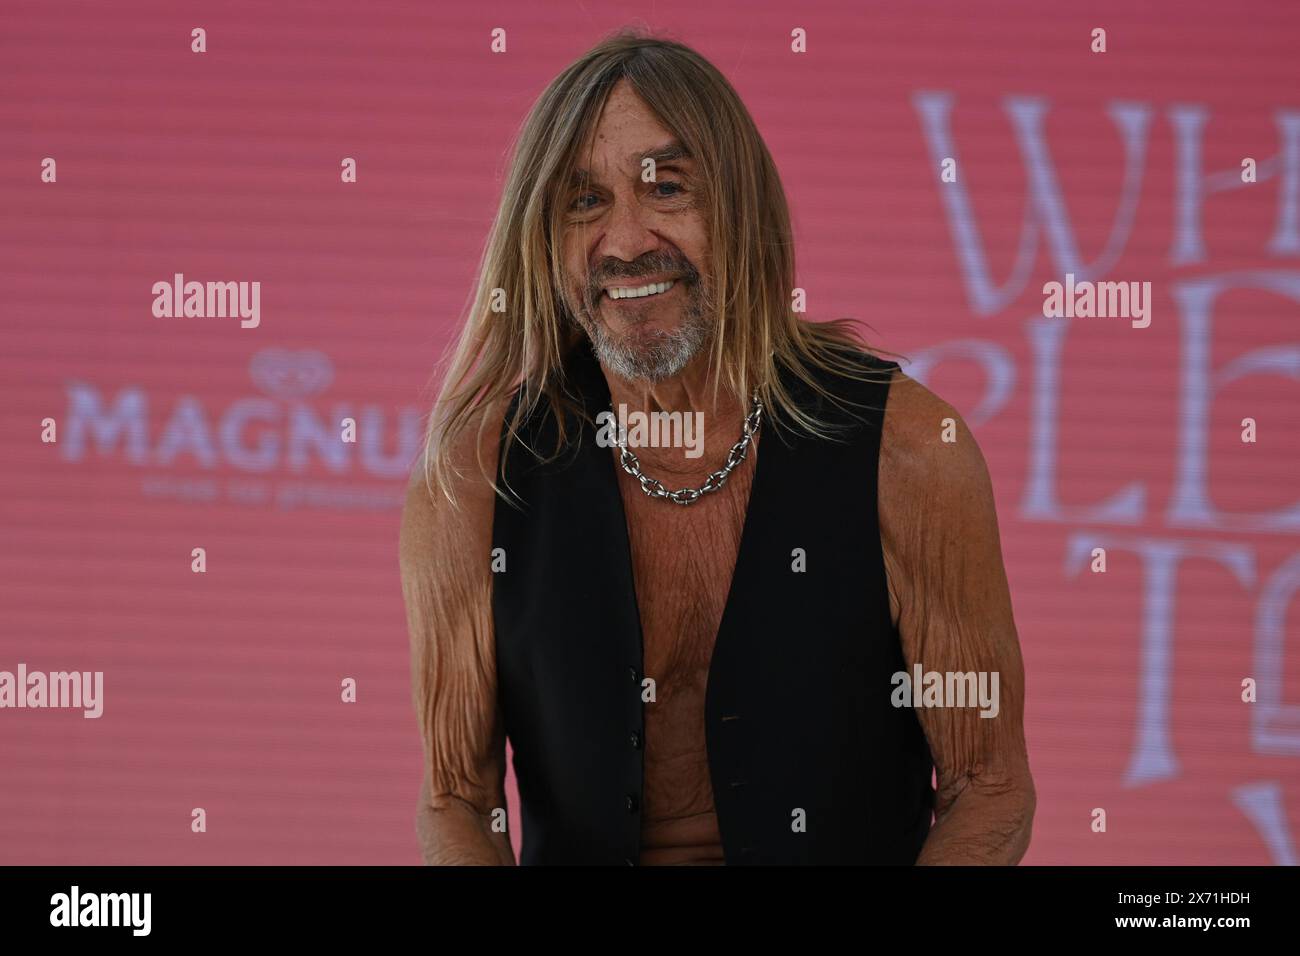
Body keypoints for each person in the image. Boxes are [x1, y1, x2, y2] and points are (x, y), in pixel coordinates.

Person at [400, 30, 1034, 865]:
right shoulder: (474, 480)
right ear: (542, 243)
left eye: (667, 189)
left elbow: (987, 788)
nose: (625, 242)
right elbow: (455, 799)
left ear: (741, 209)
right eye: (583, 202)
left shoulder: (909, 452)